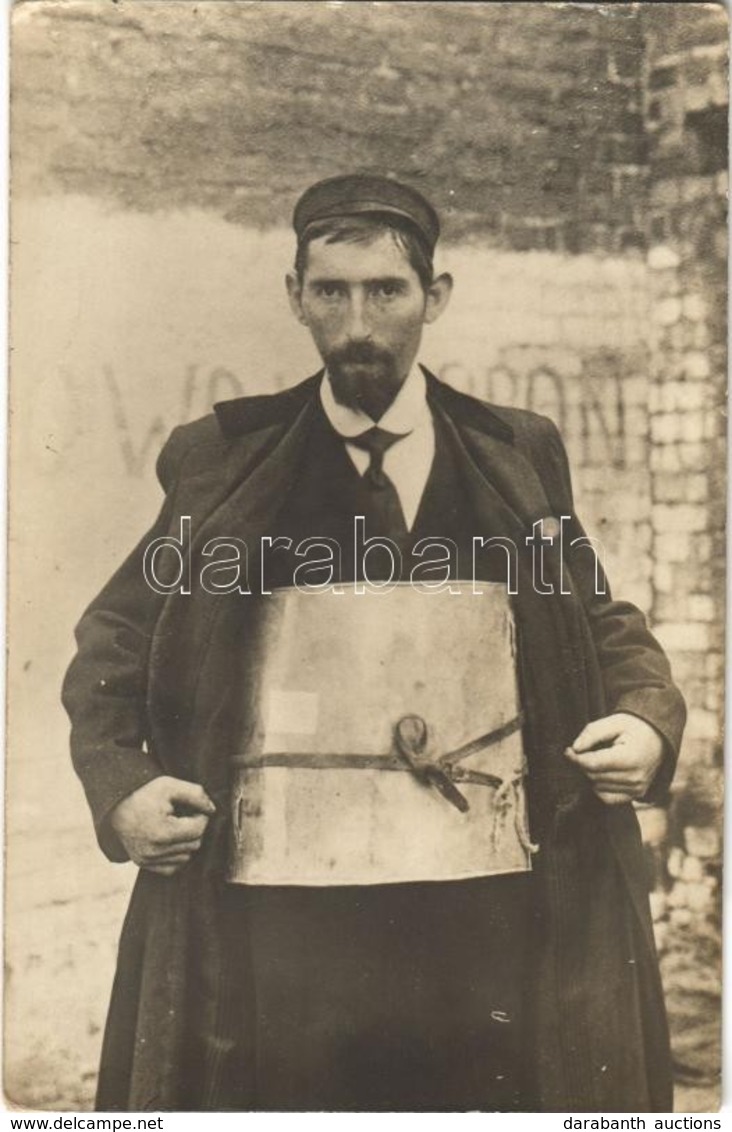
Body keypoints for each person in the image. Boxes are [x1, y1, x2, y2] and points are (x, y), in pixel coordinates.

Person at [62, 173, 686, 1113]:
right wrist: (123, 789)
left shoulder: (515, 452)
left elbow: (603, 622)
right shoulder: (224, 459)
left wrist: (645, 723)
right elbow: (114, 644)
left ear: (434, 297)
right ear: (295, 296)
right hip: (285, 928)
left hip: (488, 922)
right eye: (332, 292)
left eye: (387, 292)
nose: (359, 325)